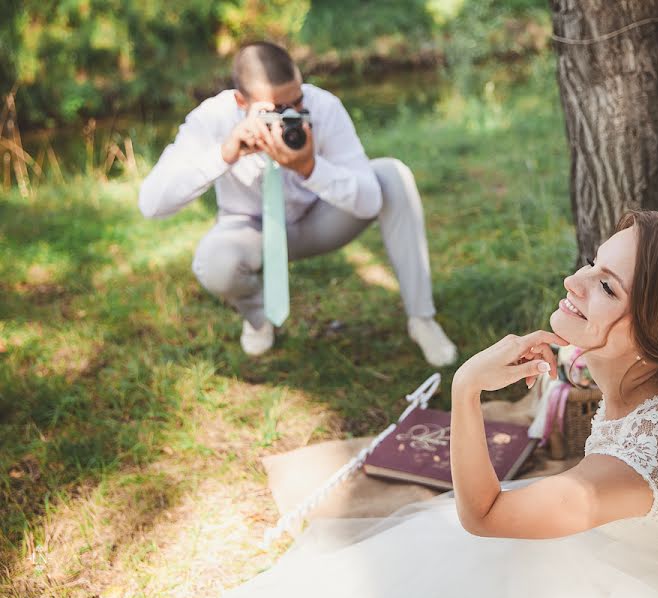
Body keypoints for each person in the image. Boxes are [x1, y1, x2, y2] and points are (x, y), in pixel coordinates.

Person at [222, 211, 658, 598]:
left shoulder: (634, 464)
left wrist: (464, 388)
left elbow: (484, 515)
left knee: (466, 564)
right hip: (643, 542)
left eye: (605, 285)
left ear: (650, 334)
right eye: (592, 263)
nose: (575, 280)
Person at [139, 41, 457, 365]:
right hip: (250, 230)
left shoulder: (324, 106)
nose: (290, 116)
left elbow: (370, 200)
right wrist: (225, 153)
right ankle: (259, 319)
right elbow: (151, 204)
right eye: (273, 110)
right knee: (213, 262)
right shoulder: (213, 117)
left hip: (320, 219)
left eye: (296, 102)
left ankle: (422, 318)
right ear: (240, 101)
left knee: (392, 176)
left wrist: (310, 168)